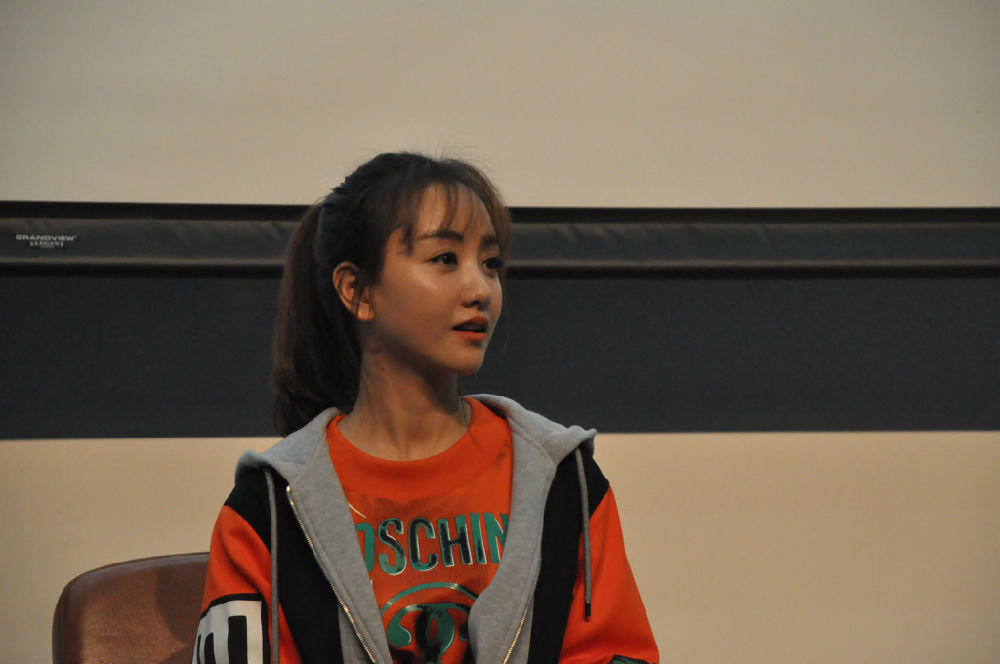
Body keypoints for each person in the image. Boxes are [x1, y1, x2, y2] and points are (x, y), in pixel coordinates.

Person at [194, 152, 658, 664]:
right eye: (445, 259)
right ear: (357, 290)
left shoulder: (564, 480)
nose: (481, 290)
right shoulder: (269, 508)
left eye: (490, 263)